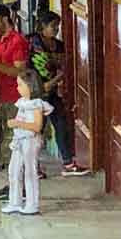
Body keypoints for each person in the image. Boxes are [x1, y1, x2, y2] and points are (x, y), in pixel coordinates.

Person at [29, 9, 86, 175]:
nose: (56, 29)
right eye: (53, 26)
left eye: (58, 26)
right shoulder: (32, 43)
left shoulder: (59, 45)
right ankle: (33, 166)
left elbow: (62, 68)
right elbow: (27, 68)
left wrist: (55, 81)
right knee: (36, 130)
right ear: (43, 26)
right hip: (36, 93)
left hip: (52, 92)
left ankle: (68, 163)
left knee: (61, 125)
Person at [0, 3, 30, 171]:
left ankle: (19, 188)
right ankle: (11, 185)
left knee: (14, 144)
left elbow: (19, 71)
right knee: (0, 144)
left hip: (14, 99)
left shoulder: (17, 41)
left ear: (5, 19)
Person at [2, 68, 48, 216]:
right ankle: (14, 201)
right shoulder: (21, 102)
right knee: (13, 170)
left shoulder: (36, 104)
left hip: (30, 140)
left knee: (30, 171)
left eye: (21, 85)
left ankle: (32, 203)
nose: (18, 88)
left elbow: (37, 126)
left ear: (31, 86)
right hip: (20, 140)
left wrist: (17, 124)